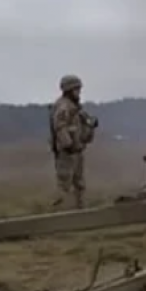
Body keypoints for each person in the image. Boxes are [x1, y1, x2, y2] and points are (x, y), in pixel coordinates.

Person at [49, 75, 99, 209]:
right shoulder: (63, 106)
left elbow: (83, 125)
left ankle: (80, 212)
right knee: (64, 185)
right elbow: (59, 126)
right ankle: (57, 214)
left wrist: (90, 126)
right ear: (68, 90)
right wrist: (68, 144)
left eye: (79, 89)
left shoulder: (75, 107)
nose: (79, 92)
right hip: (67, 153)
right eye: (76, 89)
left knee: (79, 184)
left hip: (76, 151)